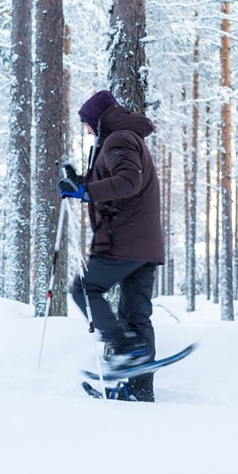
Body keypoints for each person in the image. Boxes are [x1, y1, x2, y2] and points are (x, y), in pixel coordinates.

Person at [59, 89, 164, 402]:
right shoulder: (126, 138)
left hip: (125, 240)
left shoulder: (118, 139)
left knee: (84, 290)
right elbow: (114, 178)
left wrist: (85, 192)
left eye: (88, 124)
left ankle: (125, 350)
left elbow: (128, 182)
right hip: (144, 245)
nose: (87, 130)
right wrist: (81, 181)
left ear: (99, 120)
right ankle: (140, 391)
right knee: (136, 316)